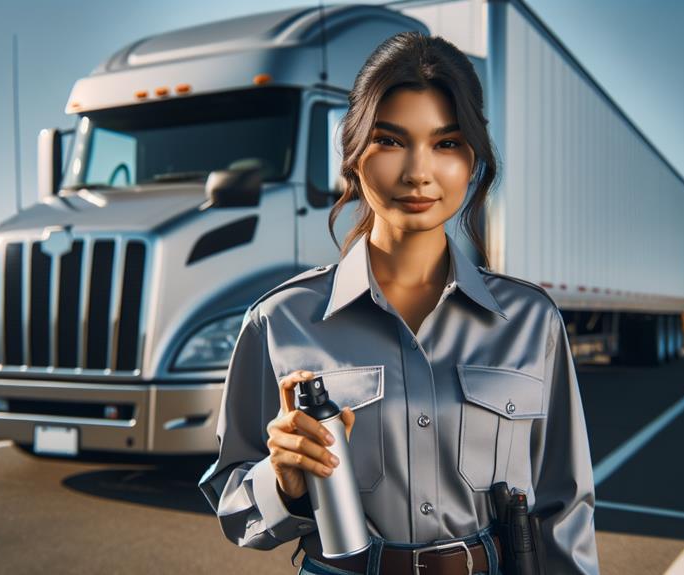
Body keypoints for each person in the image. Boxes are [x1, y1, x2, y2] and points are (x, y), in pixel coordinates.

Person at [199, 31, 599, 575]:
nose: (418, 172)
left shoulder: (531, 321)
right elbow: (234, 508)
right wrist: (283, 481)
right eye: (389, 141)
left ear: (474, 157)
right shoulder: (279, 320)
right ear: (353, 153)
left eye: (447, 143)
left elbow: (564, 506)